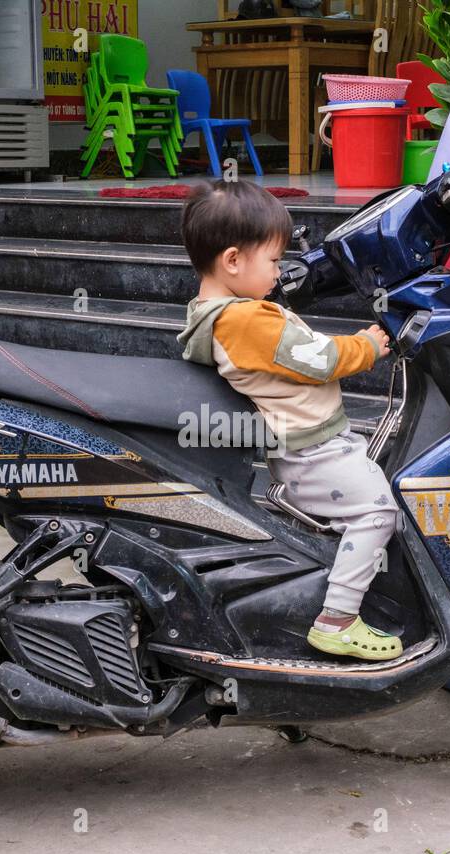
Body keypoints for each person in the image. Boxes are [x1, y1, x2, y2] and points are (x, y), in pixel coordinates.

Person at [176, 179, 402, 661]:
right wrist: (367, 345)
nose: (279, 273)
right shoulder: (241, 321)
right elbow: (317, 358)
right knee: (379, 511)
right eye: (273, 261)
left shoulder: (224, 312)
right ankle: (337, 620)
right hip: (312, 452)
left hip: (310, 446)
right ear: (233, 261)